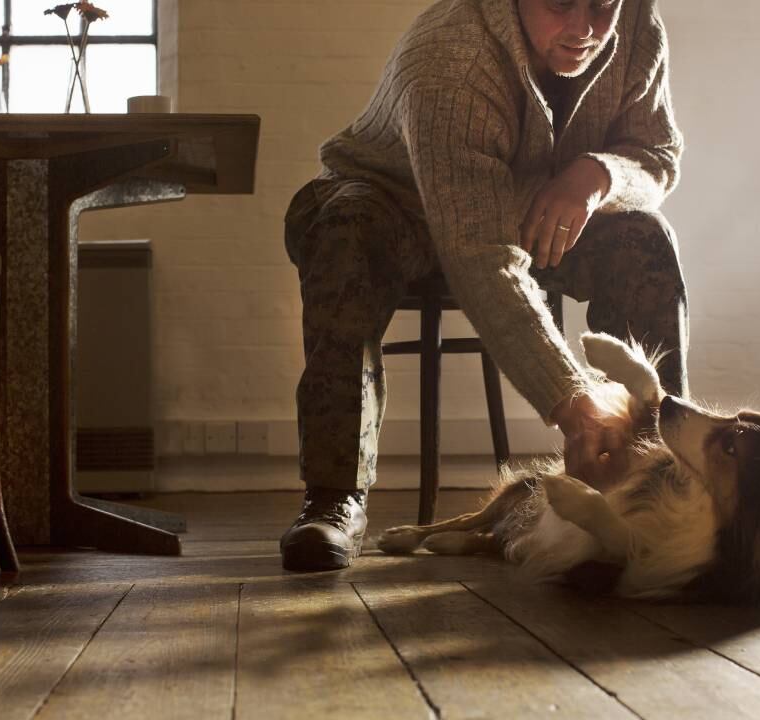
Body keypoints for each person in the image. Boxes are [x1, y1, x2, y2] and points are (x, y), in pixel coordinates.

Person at [280, 0, 689, 571]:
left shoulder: (639, 22)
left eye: (601, 6)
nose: (583, 28)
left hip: (526, 204)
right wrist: (573, 402)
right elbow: (479, 253)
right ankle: (332, 496)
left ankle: (665, 471)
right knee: (343, 231)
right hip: (389, 205)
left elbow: (656, 155)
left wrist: (596, 176)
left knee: (643, 237)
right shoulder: (451, 56)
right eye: (559, 4)